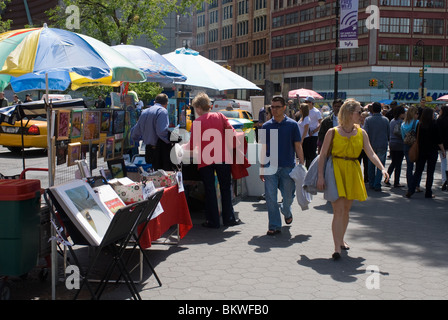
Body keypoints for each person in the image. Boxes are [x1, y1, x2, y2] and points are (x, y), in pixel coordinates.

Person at [317, 99, 389, 260]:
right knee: (338, 210)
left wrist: (382, 168)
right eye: (359, 111)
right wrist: (320, 176)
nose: (362, 114)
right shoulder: (333, 132)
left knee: (346, 210)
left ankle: (341, 239)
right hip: (335, 170)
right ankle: (337, 248)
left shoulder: (362, 132)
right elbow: (322, 156)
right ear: (349, 113)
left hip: (353, 171)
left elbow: (370, 153)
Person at [184, 92, 241, 228]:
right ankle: (229, 219)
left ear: (198, 108)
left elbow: (192, 146)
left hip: (205, 160)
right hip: (222, 157)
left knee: (210, 190)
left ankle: (213, 221)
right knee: (225, 188)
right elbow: (232, 132)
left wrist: (182, 147)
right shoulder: (220, 116)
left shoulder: (197, 122)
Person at [259, 96, 305, 236]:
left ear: (284, 107)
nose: (274, 109)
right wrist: (261, 167)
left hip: (288, 166)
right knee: (271, 197)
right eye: (272, 107)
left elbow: (298, 145)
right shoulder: (266, 126)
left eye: (277, 107)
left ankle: (287, 211)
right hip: (270, 166)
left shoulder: (292, 125)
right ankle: (274, 225)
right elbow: (263, 148)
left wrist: (302, 165)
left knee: (288, 197)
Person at [406, 108, 446, 199]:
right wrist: (443, 150)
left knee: (418, 171)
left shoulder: (419, 124)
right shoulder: (434, 124)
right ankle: (428, 192)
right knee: (430, 172)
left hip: (421, 150)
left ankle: (411, 190)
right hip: (432, 151)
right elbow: (439, 139)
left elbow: (417, 137)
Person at [131, 93, 174, 171]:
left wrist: (140, 138)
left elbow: (135, 132)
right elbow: (161, 132)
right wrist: (170, 141)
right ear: (166, 104)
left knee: (151, 176)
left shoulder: (144, 112)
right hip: (160, 150)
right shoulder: (162, 111)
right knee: (161, 177)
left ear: (155, 102)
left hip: (148, 150)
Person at [364, 102, 390, 191]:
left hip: (371, 145)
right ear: (381, 109)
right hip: (382, 144)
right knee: (380, 165)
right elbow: (388, 133)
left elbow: (365, 133)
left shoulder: (368, 120)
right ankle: (377, 183)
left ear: (372, 109)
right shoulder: (386, 120)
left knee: (371, 164)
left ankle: (371, 183)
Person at [401, 105, 420, 192]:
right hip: (415, 145)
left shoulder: (403, 124)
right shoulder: (416, 123)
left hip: (406, 145)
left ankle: (410, 185)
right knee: (418, 166)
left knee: (409, 166)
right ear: (414, 114)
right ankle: (416, 184)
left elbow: (402, 136)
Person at [386, 105, 406, 187]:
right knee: (398, 164)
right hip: (400, 143)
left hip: (392, 143)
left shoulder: (392, 121)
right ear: (401, 114)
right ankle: (396, 182)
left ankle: (387, 177)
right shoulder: (401, 122)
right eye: (404, 113)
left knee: (393, 162)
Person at [302, 96, 322, 168]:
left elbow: (320, 123)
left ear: (311, 103)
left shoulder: (316, 112)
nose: (305, 103)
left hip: (313, 134)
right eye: (305, 102)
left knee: (312, 153)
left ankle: (312, 168)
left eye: (307, 102)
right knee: (306, 153)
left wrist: (314, 131)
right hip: (306, 134)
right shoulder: (305, 111)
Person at [437, 105, 448, 190]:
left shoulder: (439, 120)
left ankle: (444, 180)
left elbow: (439, 135)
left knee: (443, 163)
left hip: (442, 145)